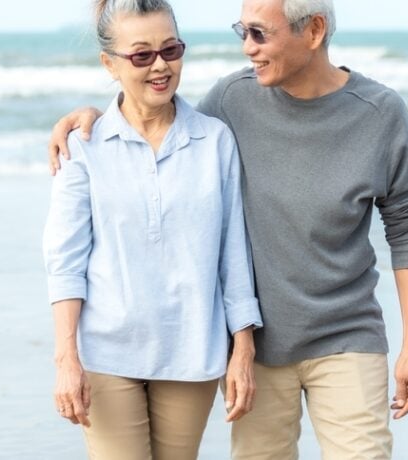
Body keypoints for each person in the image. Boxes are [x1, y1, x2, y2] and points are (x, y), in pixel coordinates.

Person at [48, 0, 408, 458]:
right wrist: (89, 116)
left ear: (313, 32)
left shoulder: (376, 114)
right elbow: (151, 112)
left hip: (343, 334)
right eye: (242, 32)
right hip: (260, 348)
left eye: (259, 34)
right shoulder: (234, 101)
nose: (247, 48)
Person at [42, 0, 263, 458]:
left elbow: (233, 254)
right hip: (106, 354)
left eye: (171, 49)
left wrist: (242, 348)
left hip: (192, 350)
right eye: (142, 55)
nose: (161, 66)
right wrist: (66, 357)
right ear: (110, 64)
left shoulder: (215, 141)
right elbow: (65, 262)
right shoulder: (83, 146)